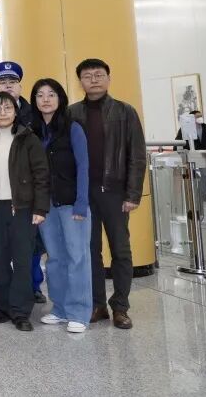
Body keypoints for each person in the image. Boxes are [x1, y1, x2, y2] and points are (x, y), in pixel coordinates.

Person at [69, 58, 146, 330]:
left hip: (115, 193)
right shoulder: (71, 113)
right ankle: (97, 304)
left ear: (108, 79)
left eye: (99, 74)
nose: (94, 79)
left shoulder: (125, 112)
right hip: (84, 194)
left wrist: (133, 194)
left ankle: (120, 307)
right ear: (80, 81)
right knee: (90, 251)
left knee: (121, 251)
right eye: (87, 76)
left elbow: (137, 155)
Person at [0, 92, 50, 332]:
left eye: (7, 108)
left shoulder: (28, 138)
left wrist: (40, 207)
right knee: (0, 260)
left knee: (22, 261)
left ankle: (21, 312)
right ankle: (3, 307)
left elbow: (41, 175)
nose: (2, 113)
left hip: (23, 208)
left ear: (16, 112)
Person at [31, 78, 91, 333]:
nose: (45, 99)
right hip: (46, 205)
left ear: (60, 98)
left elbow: (83, 166)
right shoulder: (33, 131)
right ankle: (60, 308)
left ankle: (79, 312)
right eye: (40, 95)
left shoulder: (73, 127)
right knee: (55, 258)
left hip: (71, 203)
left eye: (51, 94)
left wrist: (81, 203)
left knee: (77, 257)